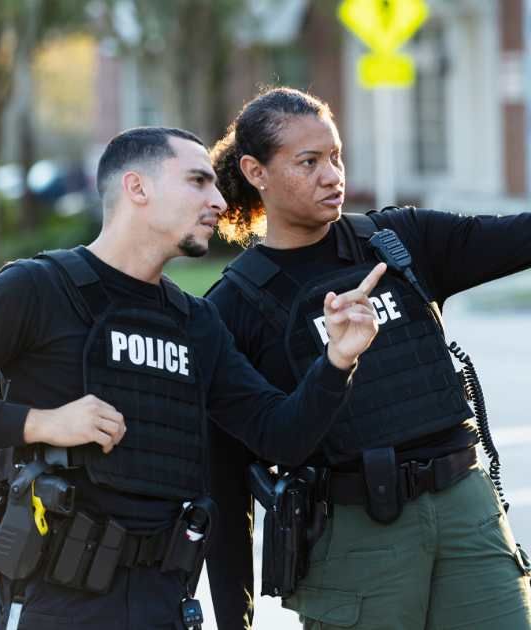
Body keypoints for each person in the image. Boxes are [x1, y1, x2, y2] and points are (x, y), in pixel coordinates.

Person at [0, 126, 385, 630]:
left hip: (165, 600)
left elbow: (280, 435)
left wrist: (337, 361)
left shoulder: (196, 323)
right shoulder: (36, 289)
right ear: (137, 188)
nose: (218, 200)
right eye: (198, 181)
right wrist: (40, 424)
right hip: (58, 601)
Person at [205, 86, 531, 630]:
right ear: (255, 172)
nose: (333, 176)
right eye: (308, 162)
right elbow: (224, 481)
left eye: (335, 156)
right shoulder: (231, 307)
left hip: (465, 513)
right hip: (355, 537)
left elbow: (520, 237)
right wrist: (233, 618)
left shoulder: (399, 240)